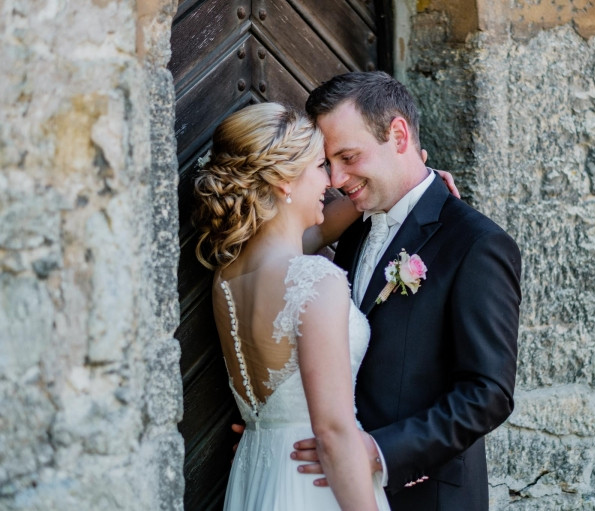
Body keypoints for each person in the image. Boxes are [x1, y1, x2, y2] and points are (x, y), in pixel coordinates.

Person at [288, 71, 522, 510]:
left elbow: (487, 393)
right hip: (331, 485)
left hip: (425, 494)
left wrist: (378, 451)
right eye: (328, 163)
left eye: (349, 156)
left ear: (398, 135)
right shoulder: (359, 225)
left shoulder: (476, 244)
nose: (336, 178)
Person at [194, 102, 389, 510]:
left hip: (258, 473)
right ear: (285, 180)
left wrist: (400, 182)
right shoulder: (315, 280)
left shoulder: (227, 277)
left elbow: (317, 228)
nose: (333, 181)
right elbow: (334, 432)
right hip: (317, 481)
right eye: (320, 166)